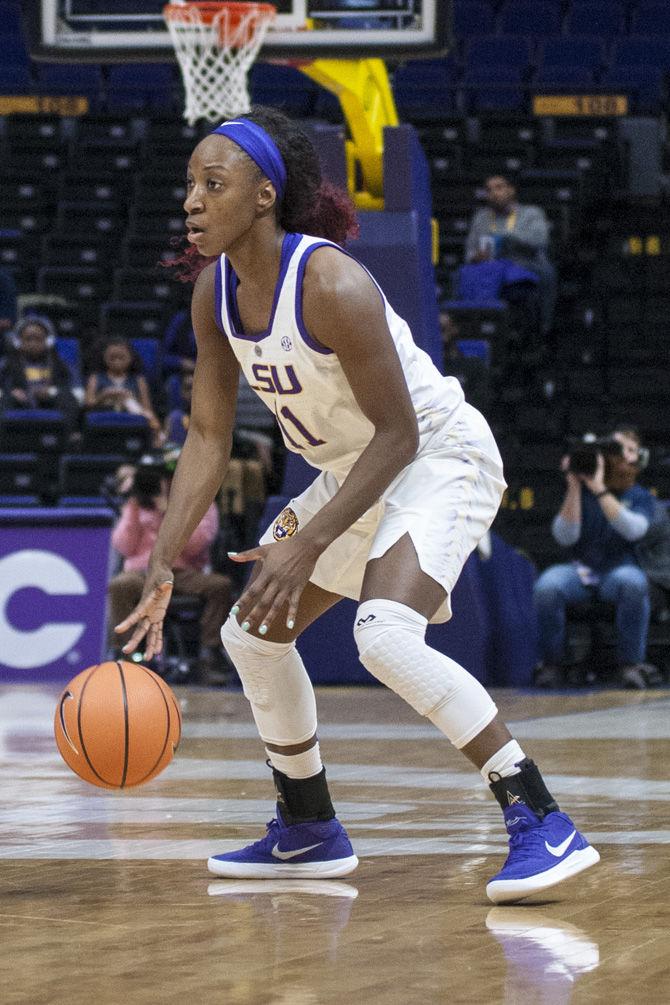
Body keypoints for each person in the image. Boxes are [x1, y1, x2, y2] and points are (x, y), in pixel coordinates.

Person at [114, 106, 598, 904]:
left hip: (436, 452)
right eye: (188, 186)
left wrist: (307, 543)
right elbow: (206, 432)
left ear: (264, 195)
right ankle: (307, 825)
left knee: (383, 635)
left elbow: (400, 433)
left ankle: (541, 818)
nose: (192, 201)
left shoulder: (332, 281)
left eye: (213, 183)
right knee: (252, 635)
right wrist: (165, 556)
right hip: (354, 468)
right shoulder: (215, 295)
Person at [534, 426, 658, 690]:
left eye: (629, 450)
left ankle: (630, 665)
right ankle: (552, 664)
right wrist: (575, 486)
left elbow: (634, 530)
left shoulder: (639, 497)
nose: (623, 457)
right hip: (580, 571)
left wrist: (601, 489)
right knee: (548, 586)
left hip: (619, 569)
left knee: (633, 583)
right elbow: (565, 537)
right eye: (616, 450)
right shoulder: (582, 492)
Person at [108, 454, 232, 684]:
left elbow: (196, 546)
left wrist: (171, 512)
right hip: (142, 573)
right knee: (120, 585)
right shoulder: (138, 502)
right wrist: (135, 507)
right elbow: (124, 546)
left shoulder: (201, 501)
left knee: (220, 586)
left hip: (182, 573)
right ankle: (125, 653)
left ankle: (210, 653)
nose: (164, 484)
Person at [465, 175, 556, 336]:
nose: (494, 193)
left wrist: (508, 238)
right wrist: (476, 256)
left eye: (499, 187)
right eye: (489, 190)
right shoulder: (481, 218)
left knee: (547, 273)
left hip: (525, 264)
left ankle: (543, 329)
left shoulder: (531, 213)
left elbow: (540, 241)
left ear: (511, 190)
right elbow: (470, 251)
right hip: (492, 269)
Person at [0, 315, 79, 429]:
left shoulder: (63, 365)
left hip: (51, 407)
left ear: (48, 341)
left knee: (66, 399)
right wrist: (10, 393)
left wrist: (52, 392)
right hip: (18, 408)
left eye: (38, 339)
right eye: (28, 339)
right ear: (17, 342)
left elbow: (77, 393)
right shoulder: (5, 365)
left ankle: (65, 437)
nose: (33, 344)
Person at [84, 336, 163, 446]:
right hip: (104, 421)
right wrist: (104, 395)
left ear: (131, 357)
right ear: (104, 357)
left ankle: (158, 436)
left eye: (121, 357)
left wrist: (130, 399)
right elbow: (88, 405)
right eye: (112, 357)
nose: (117, 361)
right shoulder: (96, 378)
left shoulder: (138, 380)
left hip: (132, 420)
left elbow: (147, 409)